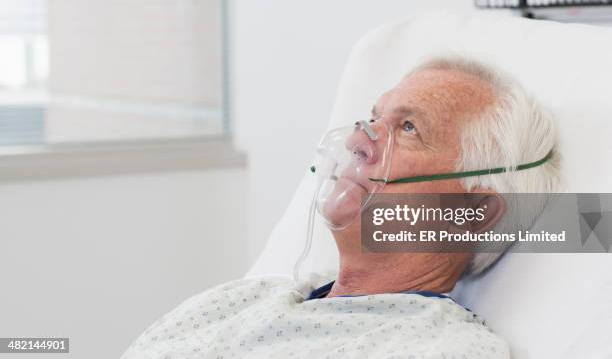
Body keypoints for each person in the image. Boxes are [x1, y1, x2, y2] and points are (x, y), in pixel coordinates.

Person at [121, 56, 562, 359]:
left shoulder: (439, 349)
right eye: (373, 119)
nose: (357, 141)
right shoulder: (237, 299)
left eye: (408, 128)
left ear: (475, 211)